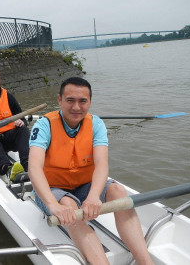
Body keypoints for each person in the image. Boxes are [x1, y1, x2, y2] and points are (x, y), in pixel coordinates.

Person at [28, 77, 154, 265]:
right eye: (70, 100)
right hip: (52, 189)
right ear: (59, 100)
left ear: (90, 102)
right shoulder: (44, 125)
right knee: (69, 204)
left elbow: (102, 164)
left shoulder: (96, 124)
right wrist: (52, 204)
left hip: (84, 185)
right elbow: (34, 167)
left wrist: (94, 196)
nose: (76, 107)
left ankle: (146, 262)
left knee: (118, 192)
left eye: (82, 101)